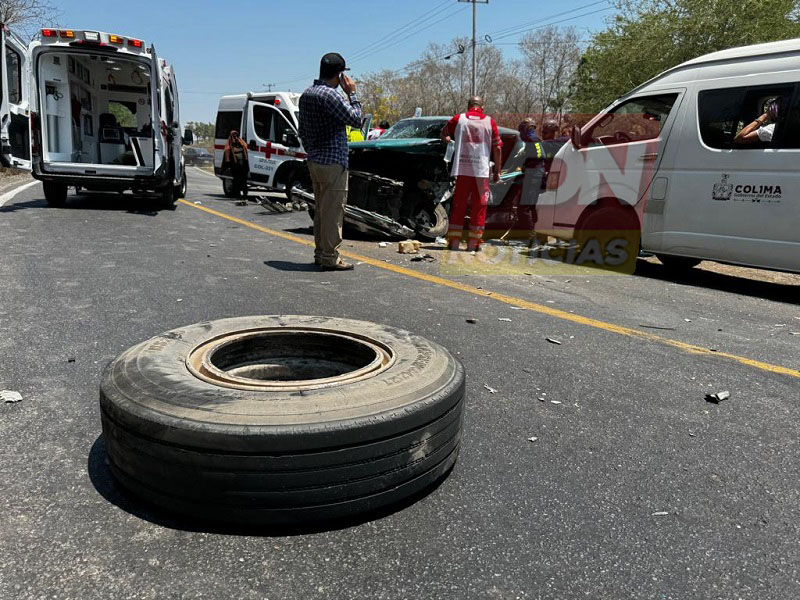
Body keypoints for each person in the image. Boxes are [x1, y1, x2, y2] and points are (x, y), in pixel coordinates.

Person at [298, 52, 362, 270]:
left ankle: (321, 253)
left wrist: (312, 151)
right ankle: (330, 257)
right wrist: (352, 94)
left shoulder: (307, 95)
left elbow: (302, 131)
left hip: (315, 160)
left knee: (321, 212)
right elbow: (355, 119)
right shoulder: (331, 96)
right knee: (333, 212)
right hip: (333, 162)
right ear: (340, 75)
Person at [440, 96, 502, 252]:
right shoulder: (490, 122)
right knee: (479, 206)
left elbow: (443, 133)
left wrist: (446, 138)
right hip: (481, 171)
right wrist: (498, 171)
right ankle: (473, 245)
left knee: (459, 204)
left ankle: (454, 243)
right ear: (482, 106)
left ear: (468, 105)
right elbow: (498, 148)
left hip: (462, 169)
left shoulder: (458, 119)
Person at [222, 130, 249, 198]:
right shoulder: (229, 144)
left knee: (243, 180)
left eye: (236, 136)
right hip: (235, 167)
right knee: (237, 180)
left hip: (243, 166)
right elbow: (227, 154)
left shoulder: (241, 142)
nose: (235, 137)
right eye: (234, 136)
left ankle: (245, 193)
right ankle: (237, 193)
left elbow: (245, 148)